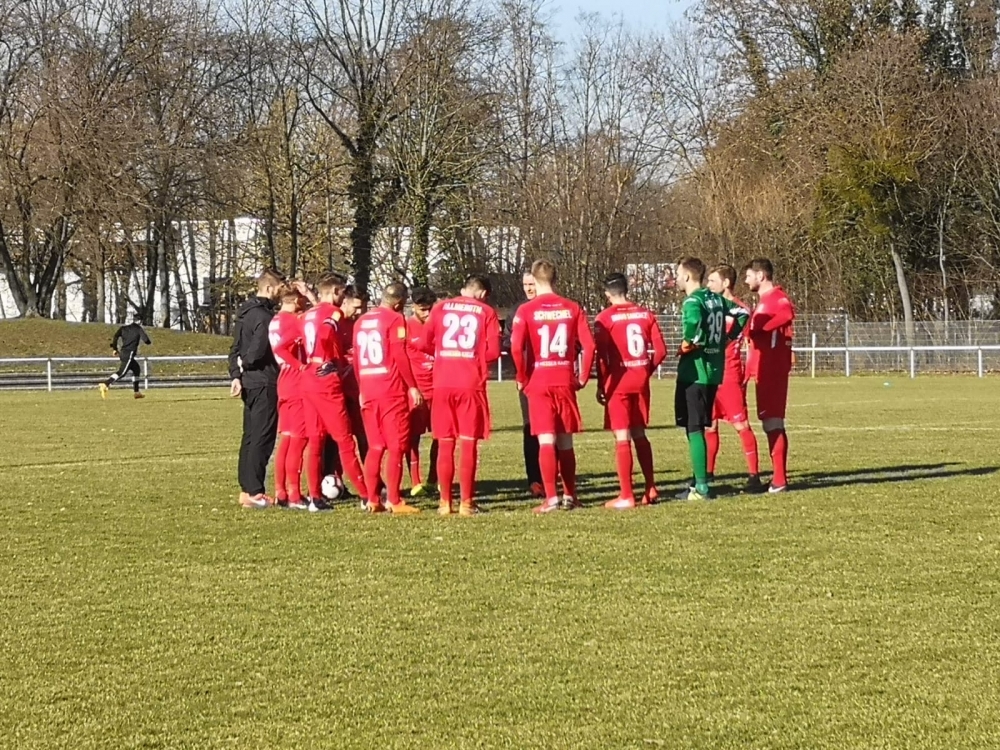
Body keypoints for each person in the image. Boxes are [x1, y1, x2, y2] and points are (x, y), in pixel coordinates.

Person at [509, 259, 595, 514]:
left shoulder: (526, 310)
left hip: (539, 380)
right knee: (565, 441)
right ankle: (570, 495)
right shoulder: (572, 307)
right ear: (555, 279)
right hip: (564, 378)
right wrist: (583, 377)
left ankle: (551, 498)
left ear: (534, 280)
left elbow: (516, 347)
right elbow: (589, 346)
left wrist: (522, 376)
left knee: (546, 440)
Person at [420, 274, 501, 516]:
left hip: (442, 383)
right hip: (469, 383)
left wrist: (445, 353)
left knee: (445, 443)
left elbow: (423, 343)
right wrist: (473, 357)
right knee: (468, 443)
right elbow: (494, 351)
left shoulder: (440, 308)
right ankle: (466, 503)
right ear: (483, 293)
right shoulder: (486, 312)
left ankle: (444, 503)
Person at [674, 257, 748, 502]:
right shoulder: (715, 299)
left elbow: (693, 323)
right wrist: (729, 338)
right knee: (699, 427)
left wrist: (689, 343)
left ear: (687, 276)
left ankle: (702, 487)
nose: (676, 279)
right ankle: (699, 481)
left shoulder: (693, 301)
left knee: (694, 428)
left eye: (678, 274)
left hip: (695, 372)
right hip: (713, 372)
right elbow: (742, 313)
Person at [593, 272, 667, 509]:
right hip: (640, 381)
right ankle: (650, 487)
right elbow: (661, 351)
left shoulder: (605, 318)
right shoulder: (646, 314)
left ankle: (626, 495)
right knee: (639, 433)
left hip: (619, 382)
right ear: (626, 290)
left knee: (622, 436)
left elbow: (602, 357)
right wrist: (646, 371)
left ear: (607, 293)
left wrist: (601, 383)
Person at [300, 275, 369, 510]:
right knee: (345, 440)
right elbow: (325, 334)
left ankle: (315, 497)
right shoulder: (334, 312)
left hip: (309, 376)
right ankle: (367, 496)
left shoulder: (309, 313)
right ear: (337, 292)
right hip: (325, 380)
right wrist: (329, 359)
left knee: (316, 441)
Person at [354, 283, 424, 514]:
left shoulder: (361, 321)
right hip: (390, 389)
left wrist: (361, 387)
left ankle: (373, 499)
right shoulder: (395, 319)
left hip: (368, 388)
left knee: (375, 446)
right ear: (399, 303)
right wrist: (412, 386)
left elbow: (357, 359)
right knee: (396, 446)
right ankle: (394, 499)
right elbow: (399, 354)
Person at [705, 265, 764, 493]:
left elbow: (749, 343)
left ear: (726, 283)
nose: (708, 285)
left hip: (729, 375)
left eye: (712, 281)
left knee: (741, 425)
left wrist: (747, 372)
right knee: (709, 425)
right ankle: (708, 474)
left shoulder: (740, 310)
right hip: (709, 375)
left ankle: (754, 476)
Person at [229, 269, 283, 509]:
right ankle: (255, 492)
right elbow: (257, 351)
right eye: (279, 288)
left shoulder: (244, 313)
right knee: (263, 437)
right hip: (264, 381)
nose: (281, 292)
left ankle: (246, 489)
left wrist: (236, 373)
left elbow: (234, 348)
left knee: (250, 436)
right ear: (269, 288)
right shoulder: (265, 317)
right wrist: (247, 363)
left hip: (249, 382)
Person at [744, 258, 796, 493]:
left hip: (773, 369)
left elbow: (787, 313)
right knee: (768, 422)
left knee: (774, 422)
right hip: (763, 369)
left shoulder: (776, 297)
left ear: (761, 275)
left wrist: (760, 329)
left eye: (749, 276)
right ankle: (777, 478)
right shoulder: (763, 301)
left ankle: (780, 480)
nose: (746, 281)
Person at [502, 270, 543, 497]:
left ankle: (555, 475)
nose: (528, 288)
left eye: (532, 284)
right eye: (525, 284)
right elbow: (508, 341)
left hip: (551, 376)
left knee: (555, 429)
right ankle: (534, 479)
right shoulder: (517, 310)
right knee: (530, 427)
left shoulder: (553, 306)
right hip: (527, 378)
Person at [268, 285, 309, 510]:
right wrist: (301, 366)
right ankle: (294, 494)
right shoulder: (293, 321)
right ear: (295, 301)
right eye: (303, 300)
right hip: (296, 382)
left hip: (284, 380)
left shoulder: (275, 320)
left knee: (286, 439)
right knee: (299, 439)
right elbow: (283, 348)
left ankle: (281, 491)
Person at [406, 287, 438, 497]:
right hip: (417, 389)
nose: (427, 314)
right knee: (413, 436)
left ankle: (434, 479)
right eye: (422, 310)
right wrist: (411, 387)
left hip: (439, 389)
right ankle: (415, 481)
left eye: (429, 309)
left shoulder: (439, 325)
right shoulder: (406, 327)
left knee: (441, 436)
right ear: (413, 307)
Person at [99, 316, 151, 399]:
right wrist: (148, 342)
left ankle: (136, 392)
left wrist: (115, 348)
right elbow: (146, 340)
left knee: (136, 369)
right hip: (129, 354)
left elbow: (116, 336)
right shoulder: (138, 329)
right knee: (122, 373)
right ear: (139, 321)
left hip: (123, 353)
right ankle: (106, 384)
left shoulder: (124, 328)